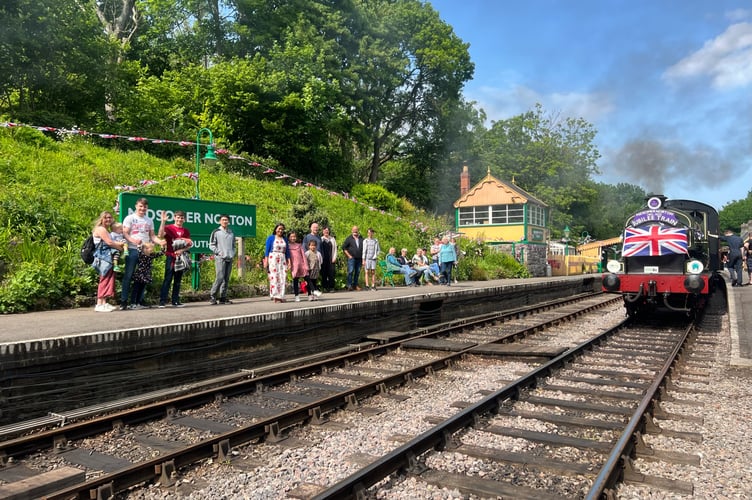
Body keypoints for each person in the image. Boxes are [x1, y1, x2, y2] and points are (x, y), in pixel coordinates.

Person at [120, 197, 159, 310]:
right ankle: (124, 301)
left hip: (145, 252)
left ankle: (139, 300)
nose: (142, 208)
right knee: (129, 275)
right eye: (140, 206)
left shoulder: (149, 220)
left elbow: (152, 236)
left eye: (145, 206)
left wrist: (159, 241)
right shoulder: (130, 218)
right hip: (133, 249)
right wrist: (133, 240)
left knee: (144, 276)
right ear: (136, 206)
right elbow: (125, 233)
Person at [158, 210, 193, 308]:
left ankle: (175, 301)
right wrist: (163, 221)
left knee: (178, 280)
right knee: (168, 279)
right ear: (175, 218)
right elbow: (160, 235)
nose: (179, 219)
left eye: (181, 218)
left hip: (181, 258)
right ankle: (162, 301)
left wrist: (182, 250)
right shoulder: (169, 228)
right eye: (178, 217)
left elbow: (189, 245)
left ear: (184, 219)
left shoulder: (186, 231)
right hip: (170, 256)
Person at [92, 211, 125, 312]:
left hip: (108, 257)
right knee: (104, 279)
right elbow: (109, 242)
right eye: (106, 218)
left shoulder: (107, 230)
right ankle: (99, 304)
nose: (108, 220)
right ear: (101, 219)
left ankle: (104, 302)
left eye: (110, 218)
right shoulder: (101, 229)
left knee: (109, 278)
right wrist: (120, 247)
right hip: (102, 257)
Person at [209, 214, 236, 304]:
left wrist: (232, 253)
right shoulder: (216, 232)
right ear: (220, 221)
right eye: (223, 220)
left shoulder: (231, 233)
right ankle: (212, 296)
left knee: (226, 278)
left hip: (229, 258)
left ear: (228, 221)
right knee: (220, 277)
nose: (225, 221)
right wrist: (219, 253)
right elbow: (211, 245)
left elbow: (233, 246)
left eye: (226, 220)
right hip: (220, 258)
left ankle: (223, 297)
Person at [129, 242, 163, 309]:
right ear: (146, 249)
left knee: (141, 290)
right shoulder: (141, 254)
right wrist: (139, 245)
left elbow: (160, 253)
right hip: (139, 274)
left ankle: (138, 303)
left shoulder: (151, 255)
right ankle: (132, 303)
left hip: (146, 274)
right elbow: (139, 249)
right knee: (136, 289)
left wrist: (162, 247)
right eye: (151, 248)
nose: (152, 250)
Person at [264, 223, 291, 303]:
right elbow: (267, 250)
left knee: (283, 277)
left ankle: (281, 295)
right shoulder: (271, 238)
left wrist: (289, 261)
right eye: (279, 228)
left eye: (282, 229)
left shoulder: (285, 239)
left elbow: (287, 251)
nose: (280, 230)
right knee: (274, 277)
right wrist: (266, 261)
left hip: (282, 258)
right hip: (273, 258)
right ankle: (276, 296)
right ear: (276, 229)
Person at [288, 231, 310, 302]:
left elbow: (303, 256)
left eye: (294, 236)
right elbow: (287, 257)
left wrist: (306, 265)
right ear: (288, 238)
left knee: (307, 279)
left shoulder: (299, 245)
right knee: (295, 280)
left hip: (302, 265)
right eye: (291, 237)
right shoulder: (287, 247)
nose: (293, 238)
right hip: (294, 266)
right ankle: (296, 296)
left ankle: (310, 294)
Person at [342, 226, 364, 291]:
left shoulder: (361, 238)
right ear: (352, 231)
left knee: (357, 272)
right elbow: (344, 248)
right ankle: (349, 285)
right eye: (354, 230)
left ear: (358, 230)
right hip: (352, 259)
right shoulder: (349, 238)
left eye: (356, 230)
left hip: (359, 258)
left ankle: (355, 285)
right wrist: (349, 256)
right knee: (350, 271)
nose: (355, 231)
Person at [320, 227, 337, 292]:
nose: (326, 232)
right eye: (325, 231)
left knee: (331, 273)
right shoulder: (321, 239)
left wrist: (334, 257)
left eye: (327, 231)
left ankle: (331, 287)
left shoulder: (332, 239)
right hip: (323, 259)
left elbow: (335, 249)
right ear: (323, 231)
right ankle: (324, 287)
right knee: (324, 273)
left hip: (331, 259)